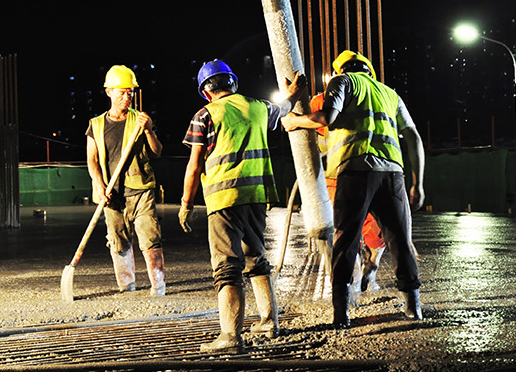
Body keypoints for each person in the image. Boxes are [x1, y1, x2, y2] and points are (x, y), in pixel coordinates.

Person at [282, 50, 425, 329]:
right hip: (393, 173)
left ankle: (341, 314)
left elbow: (327, 118)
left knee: (345, 241)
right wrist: (418, 183)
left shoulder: (343, 82)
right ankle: (413, 308)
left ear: (340, 70)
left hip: (356, 170)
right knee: (401, 241)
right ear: (369, 70)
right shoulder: (389, 93)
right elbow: (413, 136)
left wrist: (294, 121)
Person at [180, 60, 304, 354]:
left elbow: (194, 165)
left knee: (227, 267)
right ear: (232, 83)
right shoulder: (258, 107)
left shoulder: (204, 115)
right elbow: (284, 109)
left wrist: (186, 203)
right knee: (256, 258)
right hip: (257, 196)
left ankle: (230, 336)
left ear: (206, 92)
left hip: (224, 200)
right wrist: (295, 93)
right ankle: (268, 321)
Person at [86, 64, 167, 296]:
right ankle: (127, 286)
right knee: (118, 240)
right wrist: (99, 184)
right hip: (111, 194)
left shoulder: (140, 120)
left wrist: (150, 130)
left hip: (140, 190)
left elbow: (157, 151)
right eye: (122, 92)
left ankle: (158, 286)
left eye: (130, 92)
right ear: (109, 91)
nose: (127, 96)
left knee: (150, 237)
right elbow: (91, 160)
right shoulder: (96, 125)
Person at [310, 91, 387, 294]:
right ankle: (372, 264)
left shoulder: (320, 102)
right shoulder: (371, 98)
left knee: (344, 232)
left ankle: (347, 285)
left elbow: (313, 126)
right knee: (376, 231)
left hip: (334, 179)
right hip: (369, 172)